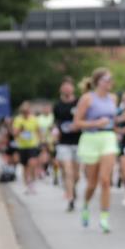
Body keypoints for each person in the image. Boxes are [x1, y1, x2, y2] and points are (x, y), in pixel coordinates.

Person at [73, 69, 120, 233]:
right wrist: (95, 123)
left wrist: (119, 126)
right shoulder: (87, 98)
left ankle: (104, 218)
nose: (110, 82)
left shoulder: (113, 98)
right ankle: (86, 205)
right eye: (107, 79)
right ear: (98, 81)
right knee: (92, 183)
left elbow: (113, 120)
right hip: (91, 139)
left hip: (108, 138)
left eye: (111, 79)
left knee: (106, 180)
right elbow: (77, 122)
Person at [53, 78, 81, 212]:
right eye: (64, 87)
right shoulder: (57, 106)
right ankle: (70, 199)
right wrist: (55, 133)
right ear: (61, 89)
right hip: (63, 143)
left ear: (73, 88)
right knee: (68, 171)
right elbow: (55, 123)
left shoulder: (79, 103)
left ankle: (72, 188)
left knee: (76, 175)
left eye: (69, 86)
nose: (67, 89)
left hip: (78, 141)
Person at [12, 101, 41, 195]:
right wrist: (20, 130)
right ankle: (27, 185)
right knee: (25, 167)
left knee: (32, 163)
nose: (26, 113)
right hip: (22, 146)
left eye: (27, 111)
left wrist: (40, 141)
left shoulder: (34, 119)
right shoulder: (18, 120)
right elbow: (14, 133)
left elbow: (38, 130)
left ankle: (32, 181)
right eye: (24, 112)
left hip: (32, 145)